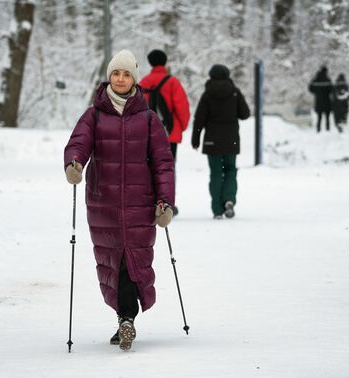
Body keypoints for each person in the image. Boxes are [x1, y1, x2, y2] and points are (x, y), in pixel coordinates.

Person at [63, 49, 175, 351]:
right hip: (105, 203)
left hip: (140, 202)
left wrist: (166, 201)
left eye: (126, 74)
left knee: (132, 260)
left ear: (134, 79)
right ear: (109, 77)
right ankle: (124, 316)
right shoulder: (94, 115)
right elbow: (78, 144)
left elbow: (163, 163)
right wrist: (74, 164)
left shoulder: (149, 120)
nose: (121, 78)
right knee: (111, 262)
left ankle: (126, 318)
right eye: (116, 73)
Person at [191, 64, 250, 219]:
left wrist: (195, 139)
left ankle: (217, 209)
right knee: (230, 170)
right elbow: (245, 114)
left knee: (216, 173)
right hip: (231, 140)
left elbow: (199, 119)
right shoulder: (235, 92)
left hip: (212, 141)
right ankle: (229, 200)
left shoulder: (207, 94)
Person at [139, 49, 190, 216]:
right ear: (165, 62)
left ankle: (150, 202)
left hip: (147, 134)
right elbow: (182, 107)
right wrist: (180, 127)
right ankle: (167, 204)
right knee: (168, 169)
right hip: (169, 134)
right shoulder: (172, 82)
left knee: (149, 168)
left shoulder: (144, 82)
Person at [308, 66, 333, 132]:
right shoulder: (327, 79)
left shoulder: (315, 80)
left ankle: (318, 129)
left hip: (318, 101)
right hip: (327, 101)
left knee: (319, 117)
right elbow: (331, 89)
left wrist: (316, 92)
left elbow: (310, 88)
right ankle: (327, 129)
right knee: (327, 117)